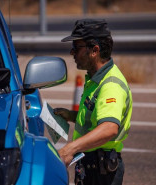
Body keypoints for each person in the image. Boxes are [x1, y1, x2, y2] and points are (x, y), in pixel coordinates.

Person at [54, 19, 133, 185]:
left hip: (101, 172)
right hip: (91, 166)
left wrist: (70, 149)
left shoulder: (110, 84)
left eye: (77, 48)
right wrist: (72, 115)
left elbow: (109, 128)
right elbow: (98, 117)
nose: (72, 52)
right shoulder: (95, 79)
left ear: (94, 50)